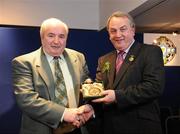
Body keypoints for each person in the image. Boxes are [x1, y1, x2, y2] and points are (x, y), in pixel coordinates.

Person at [12, 18, 94, 134]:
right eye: (51, 36)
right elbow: (26, 99)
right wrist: (64, 113)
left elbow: (86, 86)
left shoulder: (78, 57)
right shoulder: (24, 62)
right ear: (42, 38)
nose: (56, 41)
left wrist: (89, 106)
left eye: (61, 36)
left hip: (77, 127)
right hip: (42, 130)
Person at [92, 11, 165, 134]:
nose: (118, 34)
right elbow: (99, 88)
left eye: (123, 29)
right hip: (109, 127)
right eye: (113, 31)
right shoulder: (103, 59)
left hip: (141, 127)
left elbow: (154, 87)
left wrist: (117, 96)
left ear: (133, 30)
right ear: (109, 34)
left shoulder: (150, 52)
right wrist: (90, 97)